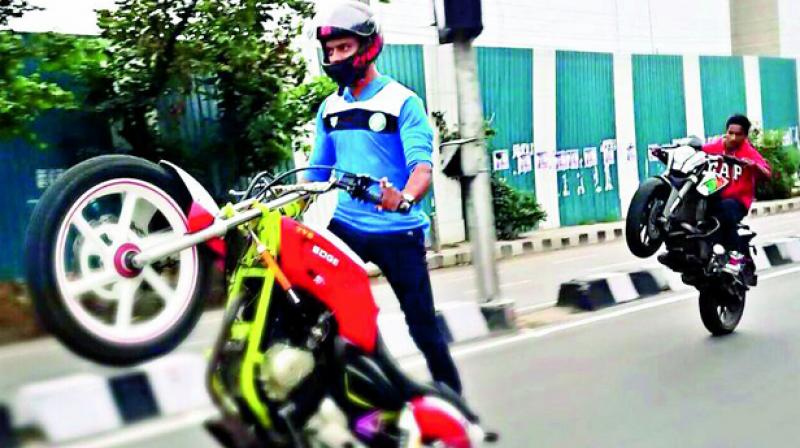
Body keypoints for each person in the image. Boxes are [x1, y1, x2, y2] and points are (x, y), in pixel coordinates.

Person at [305, 1, 463, 394]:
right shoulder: (330, 108)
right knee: (314, 305)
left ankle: (455, 404)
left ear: (368, 47)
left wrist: (404, 198)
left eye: (344, 48)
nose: (336, 57)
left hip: (398, 229)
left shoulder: (402, 102)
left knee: (422, 325)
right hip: (347, 228)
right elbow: (315, 173)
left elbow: (422, 169)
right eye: (331, 50)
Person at [702, 114, 771, 274]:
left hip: (738, 200)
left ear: (745, 136)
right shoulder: (715, 147)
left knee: (725, 211)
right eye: (730, 133)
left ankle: (735, 255)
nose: (732, 137)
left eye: (738, 134)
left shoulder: (748, 151)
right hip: (714, 194)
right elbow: (697, 151)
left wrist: (753, 166)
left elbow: (767, 172)